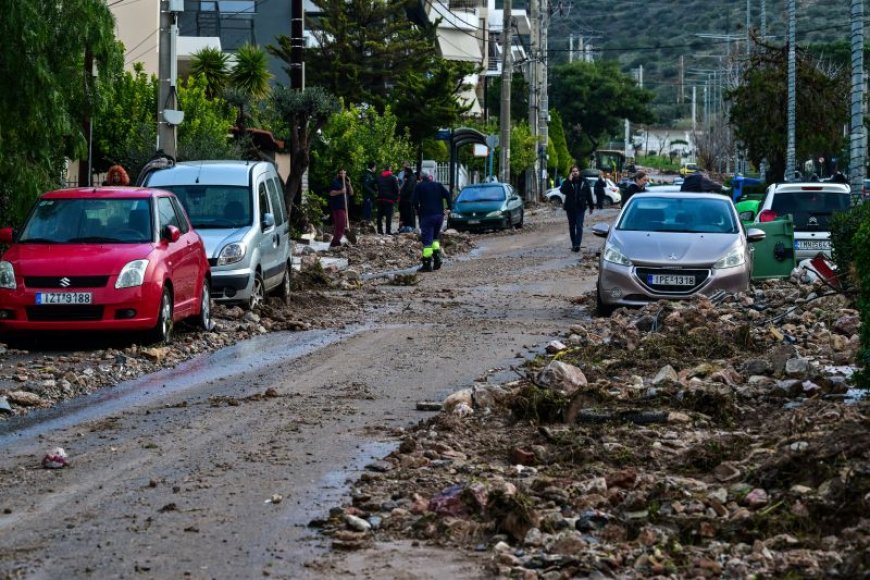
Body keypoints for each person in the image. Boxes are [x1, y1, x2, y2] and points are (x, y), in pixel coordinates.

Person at [412, 169, 451, 272]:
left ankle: (427, 264)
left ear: (421, 177)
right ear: (430, 176)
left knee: (427, 241)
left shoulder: (419, 186)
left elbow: (414, 201)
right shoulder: (438, 185)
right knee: (434, 238)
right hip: (439, 216)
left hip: (427, 216)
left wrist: (417, 209)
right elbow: (447, 195)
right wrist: (449, 207)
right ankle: (437, 259)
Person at [560, 165, 594, 252]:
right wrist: (568, 180)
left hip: (580, 208)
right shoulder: (568, 182)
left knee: (579, 226)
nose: (575, 173)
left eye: (576, 171)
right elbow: (562, 190)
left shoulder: (584, 181)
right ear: (571, 173)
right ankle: (574, 244)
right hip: (570, 208)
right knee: (572, 227)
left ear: (579, 172)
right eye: (573, 171)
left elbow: (588, 194)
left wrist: (591, 206)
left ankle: (578, 245)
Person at [327, 168, 353, 247]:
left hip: (344, 207)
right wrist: (341, 191)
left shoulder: (346, 182)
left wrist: (349, 184)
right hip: (337, 207)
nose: (343, 175)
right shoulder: (335, 182)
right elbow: (331, 193)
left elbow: (351, 193)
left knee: (340, 225)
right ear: (338, 174)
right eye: (341, 173)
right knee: (340, 225)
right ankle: (335, 242)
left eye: (344, 173)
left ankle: (336, 241)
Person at [376, 164, 400, 235]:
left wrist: (376, 192)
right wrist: (396, 198)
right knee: (388, 216)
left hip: (380, 198)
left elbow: (373, 184)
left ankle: (379, 230)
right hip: (389, 199)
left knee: (379, 215)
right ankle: (387, 231)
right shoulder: (393, 178)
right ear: (390, 169)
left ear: (384, 170)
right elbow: (396, 189)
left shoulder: (379, 177)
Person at [398, 166, 417, 233]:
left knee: (407, 215)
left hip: (407, 200)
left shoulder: (410, 179)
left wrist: (401, 194)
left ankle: (408, 228)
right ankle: (408, 227)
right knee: (409, 215)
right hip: (408, 200)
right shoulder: (411, 178)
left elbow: (407, 190)